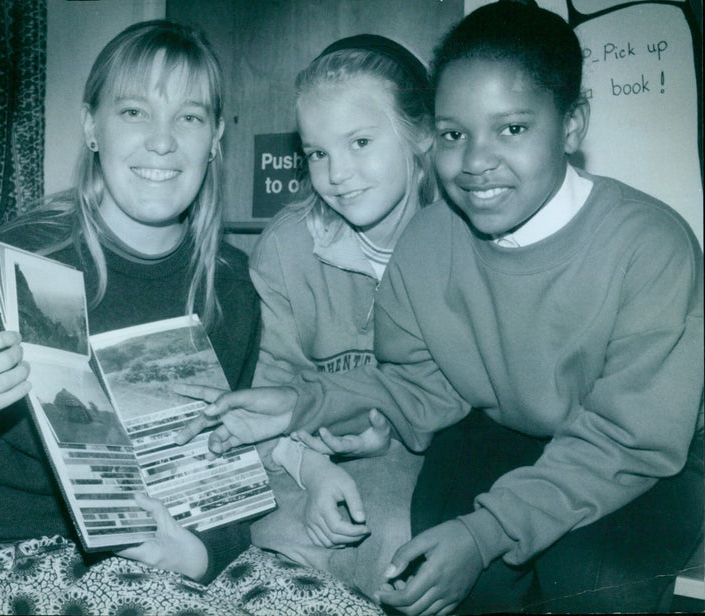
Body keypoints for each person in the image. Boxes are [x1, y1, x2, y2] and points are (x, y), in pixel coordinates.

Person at [174, 2, 705, 614]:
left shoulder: (652, 244)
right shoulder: (430, 240)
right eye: (456, 134)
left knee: (594, 578)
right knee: (436, 565)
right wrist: (302, 403)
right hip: (511, 434)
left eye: (511, 129)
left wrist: (483, 533)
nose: (476, 162)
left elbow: (629, 439)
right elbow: (422, 384)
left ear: (573, 123)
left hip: (644, 454)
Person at [0, 20, 382, 616]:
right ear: (91, 127)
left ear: (214, 138)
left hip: (170, 557)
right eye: (134, 111)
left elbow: (222, 483)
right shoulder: (19, 265)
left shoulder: (229, 286)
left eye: (189, 117)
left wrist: (193, 554)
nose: (163, 141)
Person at [244, 35, 436, 598]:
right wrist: (313, 468)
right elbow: (264, 394)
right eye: (318, 152)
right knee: (269, 554)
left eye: (359, 142)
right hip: (303, 462)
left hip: (426, 460)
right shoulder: (285, 248)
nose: (337, 173)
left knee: (402, 541)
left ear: (419, 134)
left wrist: (397, 430)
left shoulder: (463, 237)